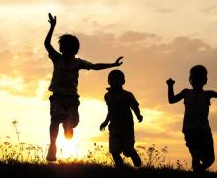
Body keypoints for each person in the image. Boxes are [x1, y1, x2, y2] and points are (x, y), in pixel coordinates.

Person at [44, 13, 123, 161]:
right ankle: (52, 146)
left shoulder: (78, 63)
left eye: (70, 49)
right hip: (57, 98)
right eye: (64, 48)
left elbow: (94, 66)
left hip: (72, 99)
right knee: (55, 120)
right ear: (61, 49)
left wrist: (113, 64)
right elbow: (47, 45)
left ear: (75, 51)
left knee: (72, 123)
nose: (67, 51)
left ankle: (68, 127)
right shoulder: (57, 59)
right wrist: (52, 27)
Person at [166, 65, 217, 172]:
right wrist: (170, 86)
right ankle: (198, 172)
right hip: (190, 130)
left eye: (200, 78)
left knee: (210, 159)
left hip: (204, 130)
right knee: (196, 156)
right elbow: (171, 100)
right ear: (190, 80)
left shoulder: (208, 94)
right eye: (193, 78)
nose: (196, 80)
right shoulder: (186, 92)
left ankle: (198, 171)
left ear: (205, 80)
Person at [100, 69, 143, 167]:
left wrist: (138, 115)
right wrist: (105, 122)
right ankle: (120, 168)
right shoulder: (107, 96)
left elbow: (135, 106)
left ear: (123, 81)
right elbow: (110, 111)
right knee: (114, 151)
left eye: (117, 79)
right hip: (114, 127)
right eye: (112, 79)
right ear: (108, 81)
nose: (114, 81)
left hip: (127, 127)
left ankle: (137, 164)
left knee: (128, 151)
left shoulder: (127, 95)